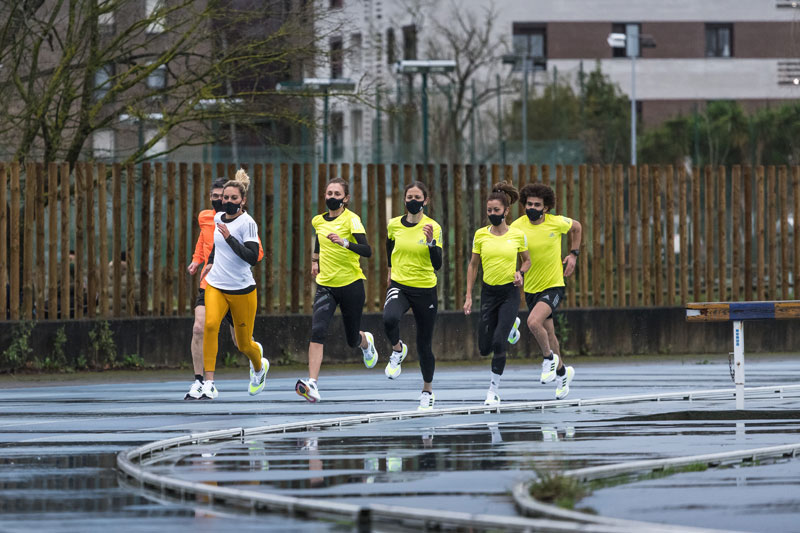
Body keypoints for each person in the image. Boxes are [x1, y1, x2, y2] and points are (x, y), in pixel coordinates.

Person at [296, 178, 378, 403]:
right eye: (328, 193)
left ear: (346, 198)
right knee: (318, 330)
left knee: (351, 339)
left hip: (351, 285)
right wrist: (315, 261)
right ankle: (312, 384)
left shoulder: (352, 220)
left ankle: (365, 341)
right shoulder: (318, 221)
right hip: (326, 286)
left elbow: (367, 250)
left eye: (337, 193)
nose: (332, 197)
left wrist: (345, 243)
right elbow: (320, 241)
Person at [184, 179, 264, 400]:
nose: (227, 201)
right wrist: (208, 261)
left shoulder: (248, 223)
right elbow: (215, 244)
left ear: (243, 201)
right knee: (208, 325)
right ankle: (208, 383)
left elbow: (252, 257)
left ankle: (259, 366)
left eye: (233, 198)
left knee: (244, 344)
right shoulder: (217, 218)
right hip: (216, 284)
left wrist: (230, 238)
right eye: (224, 198)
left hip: (241, 289)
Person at [510, 183, 582, 399]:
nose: (532, 207)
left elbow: (577, 227)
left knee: (532, 322)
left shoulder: (556, 223)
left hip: (553, 285)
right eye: (529, 204)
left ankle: (548, 360)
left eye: (537, 205)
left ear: (546, 207)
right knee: (548, 333)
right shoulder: (516, 226)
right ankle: (562, 372)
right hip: (531, 288)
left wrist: (573, 254)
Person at [464, 181, 531, 406]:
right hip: (488, 293)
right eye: (489, 211)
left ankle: (493, 391)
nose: (492, 214)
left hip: (509, 293)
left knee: (499, 341)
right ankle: (512, 325)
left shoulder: (517, 235)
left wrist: (520, 273)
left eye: (496, 210)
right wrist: (468, 296)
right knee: (484, 347)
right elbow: (473, 266)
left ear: (506, 211)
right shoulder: (480, 235)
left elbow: (527, 261)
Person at [383, 181, 442, 411]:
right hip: (400, 284)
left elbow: (437, 264)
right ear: (404, 199)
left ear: (425, 201)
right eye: (410, 197)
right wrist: (389, 270)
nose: (413, 201)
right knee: (389, 318)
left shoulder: (433, 227)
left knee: (424, 345)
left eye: (418, 197)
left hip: (425, 289)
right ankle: (397, 349)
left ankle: (427, 390)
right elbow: (389, 246)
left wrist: (430, 243)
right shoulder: (394, 225)